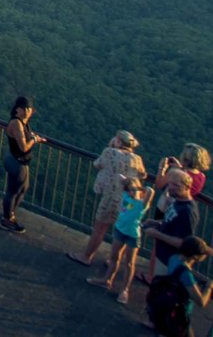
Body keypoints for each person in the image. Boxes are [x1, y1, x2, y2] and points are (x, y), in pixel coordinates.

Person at [72, 130, 146, 266]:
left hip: (112, 197)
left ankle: (86, 256)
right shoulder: (137, 159)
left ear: (118, 141)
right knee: (122, 232)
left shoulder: (109, 152)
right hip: (130, 200)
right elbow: (142, 175)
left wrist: (111, 147)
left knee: (100, 229)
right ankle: (113, 262)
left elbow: (97, 164)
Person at [87, 174, 154, 304]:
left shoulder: (141, 204)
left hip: (132, 236)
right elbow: (120, 177)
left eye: (133, 190)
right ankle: (107, 280)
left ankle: (125, 290)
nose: (130, 192)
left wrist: (139, 188)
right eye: (128, 189)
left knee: (129, 263)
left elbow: (151, 192)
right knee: (114, 257)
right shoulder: (125, 197)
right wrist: (129, 183)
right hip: (119, 230)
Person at [148, 236, 213, 337]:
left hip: (166, 307)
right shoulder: (186, 275)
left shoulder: (173, 258)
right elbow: (201, 301)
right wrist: (209, 286)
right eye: (204, 254)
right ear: (196, 256)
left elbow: (179, 274)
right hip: (178, 315)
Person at [144, 171, 200, 282]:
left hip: (170, 260)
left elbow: (183, 243)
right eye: (170, 184)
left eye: (175, 185)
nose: (170, 187)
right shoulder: (177, 201)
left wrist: (157, 234)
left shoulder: (188, 212)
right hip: (162, 255)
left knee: (159, 292)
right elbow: (172, 223)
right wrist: (157, 223)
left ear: (187, 187)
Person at [0, 96, 45, 233]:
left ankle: (9, 213)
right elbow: (23, 147)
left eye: (29, 109)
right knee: (13, 191)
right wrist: (35, 140)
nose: (27, 111)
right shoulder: (17, 124)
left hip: (18, 161)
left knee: (22, 188)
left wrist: (32, 137)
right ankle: (7, 219)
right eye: (24, 108)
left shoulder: (23, 123)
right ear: (17, 109)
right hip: (16, 161)